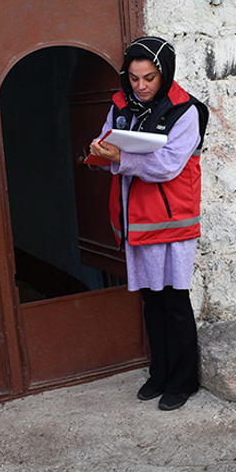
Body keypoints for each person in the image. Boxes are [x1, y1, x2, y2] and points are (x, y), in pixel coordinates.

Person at [89, 36, 209, 411]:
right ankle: (160, 373)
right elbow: (107, 140)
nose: (140, 86)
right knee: (151, 301)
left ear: (165, 74)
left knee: (174, 301)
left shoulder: (186, 111)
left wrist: (121, 156)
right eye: (134, 78)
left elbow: (170, 164)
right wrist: (102, 149)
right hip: (136, 221)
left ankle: (183, 380)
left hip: (171, 222)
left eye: (150, 78)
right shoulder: (121, 104)